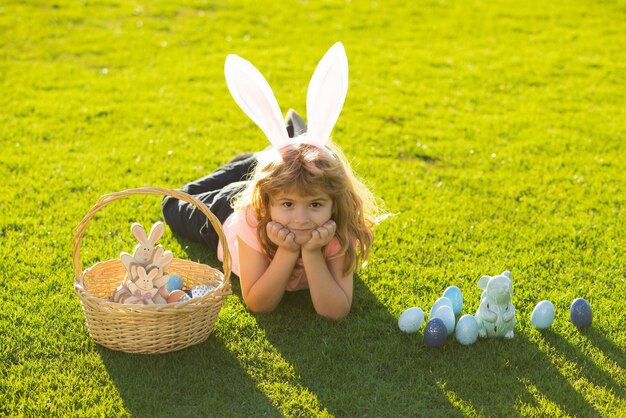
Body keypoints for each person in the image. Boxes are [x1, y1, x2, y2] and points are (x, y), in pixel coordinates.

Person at [162, 42, 384, 319]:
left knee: (290, 180)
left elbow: (336, 311)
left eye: (315, 204)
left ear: (334, 204)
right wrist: (287, 251)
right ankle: (261, 158)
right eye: (288, 205)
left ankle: (284, 147)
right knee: (172, 204)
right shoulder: (252, 219)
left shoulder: (337, 229)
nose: (301, 219)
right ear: (266, 203)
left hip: (275, 186)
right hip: (225, 210)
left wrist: (312, 253)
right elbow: (258, 302)